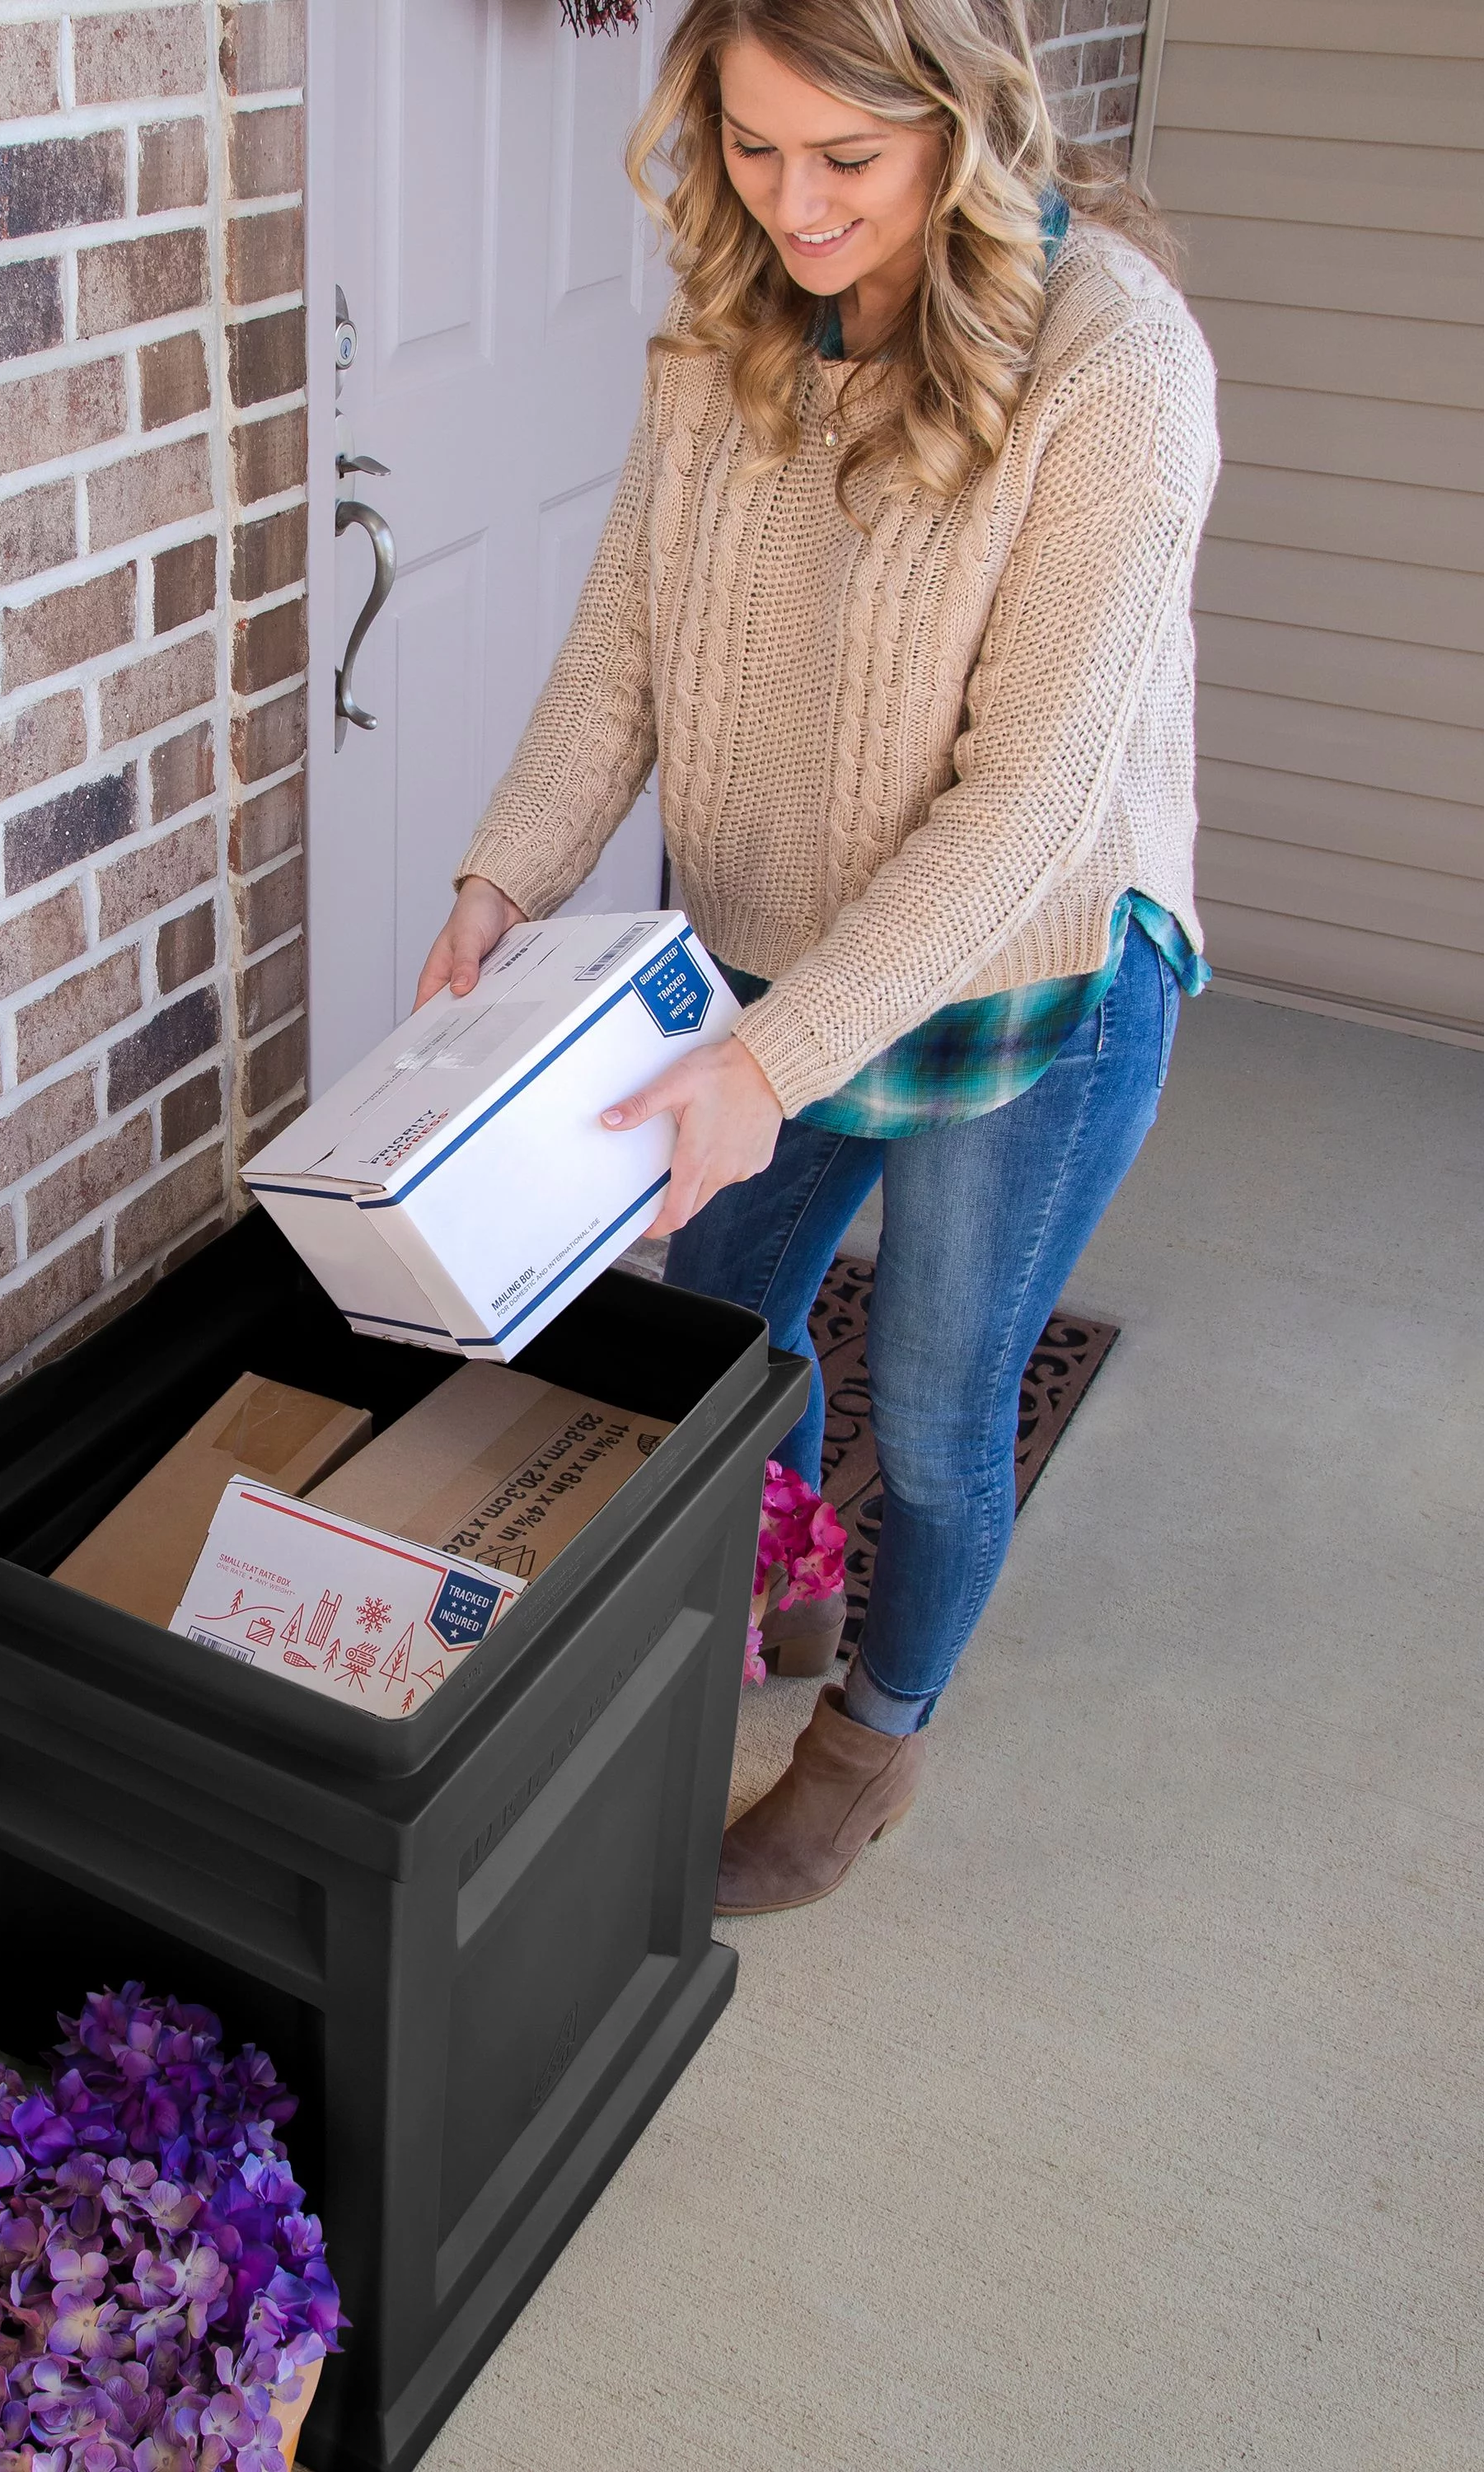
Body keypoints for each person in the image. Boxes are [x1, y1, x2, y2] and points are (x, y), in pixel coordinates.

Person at [415, 0, 1219, 1914]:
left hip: (1027, 978)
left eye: (846, 160)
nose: (791, 205)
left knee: (940, 1403)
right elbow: (625, 634)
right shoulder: (731, 324)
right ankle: (772, 1562)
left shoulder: (1116, 369)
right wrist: (506, 876)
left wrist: (772, 1069)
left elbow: (1029, 801)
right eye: (752, 148)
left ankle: (874, 1745)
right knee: (708, 1340)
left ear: (962, 119)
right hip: (768, 952)